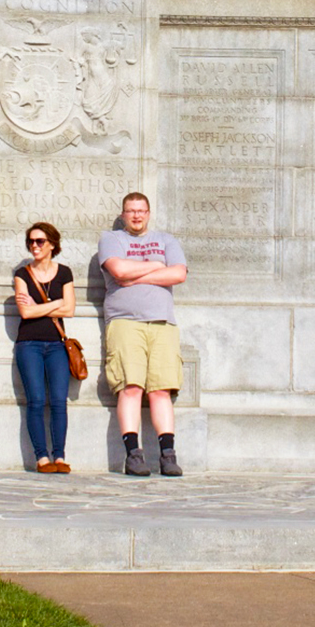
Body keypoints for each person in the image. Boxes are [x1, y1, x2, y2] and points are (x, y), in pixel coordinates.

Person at [97, 191, 187, 476]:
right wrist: (157, 267)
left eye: (141, 210)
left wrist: (137, 275)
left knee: (161, 389)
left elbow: (179, 274)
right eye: (131, 210)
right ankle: (133, 455)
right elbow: (119, 270)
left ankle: (167, 455)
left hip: (162, 322)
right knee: (131, 387)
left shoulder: (166, 240)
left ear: (148, 213)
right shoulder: (111, 239)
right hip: (125, 322)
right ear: (123, 214)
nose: (136, 215)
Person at [11, 221, 77, 473]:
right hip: (29, 344)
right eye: (31, 241)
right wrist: (56, 302)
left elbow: (69, 310)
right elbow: (25, 313)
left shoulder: (64, 273)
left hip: (57, 345)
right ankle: (41, 458)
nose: (34, 246)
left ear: (52, 244)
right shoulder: (22, 274)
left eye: (40, 241)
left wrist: (42, 306)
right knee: (36, 400)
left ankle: (59, 456)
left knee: (59, 401)